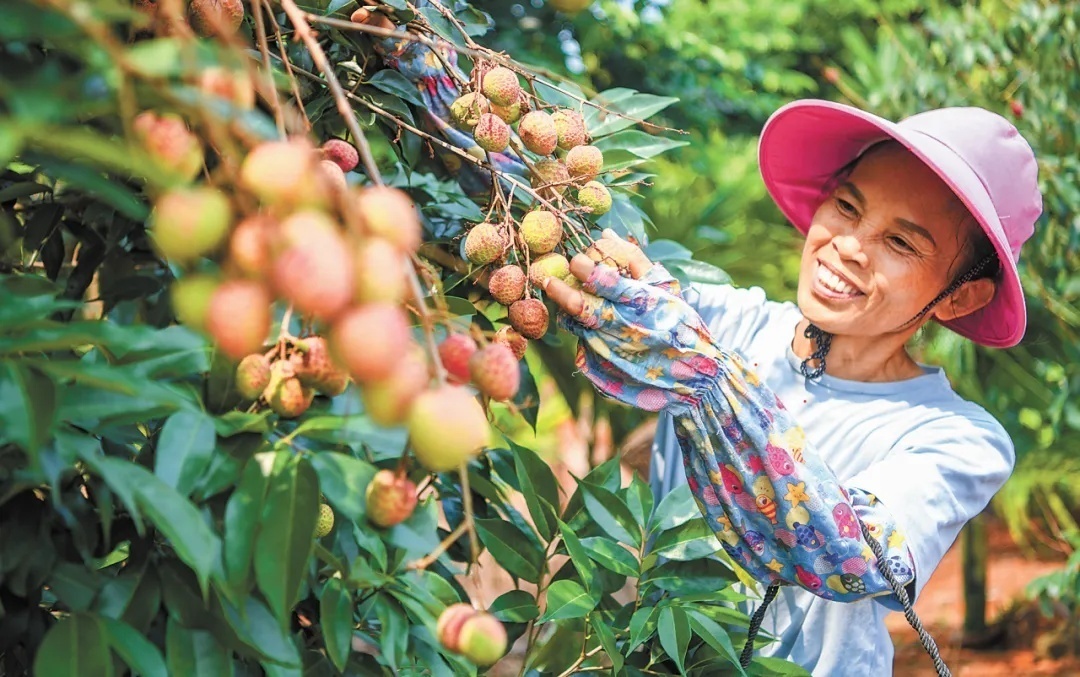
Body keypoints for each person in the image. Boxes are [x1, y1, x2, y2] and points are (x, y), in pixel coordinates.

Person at [542, 100, 1042, 675]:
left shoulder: (958, 439)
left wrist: (706, 378)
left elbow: (851, 556)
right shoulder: (725, 325)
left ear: (958, 296)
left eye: (901, 243)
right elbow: (581, 261)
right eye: (847, 206)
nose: (849, 245)